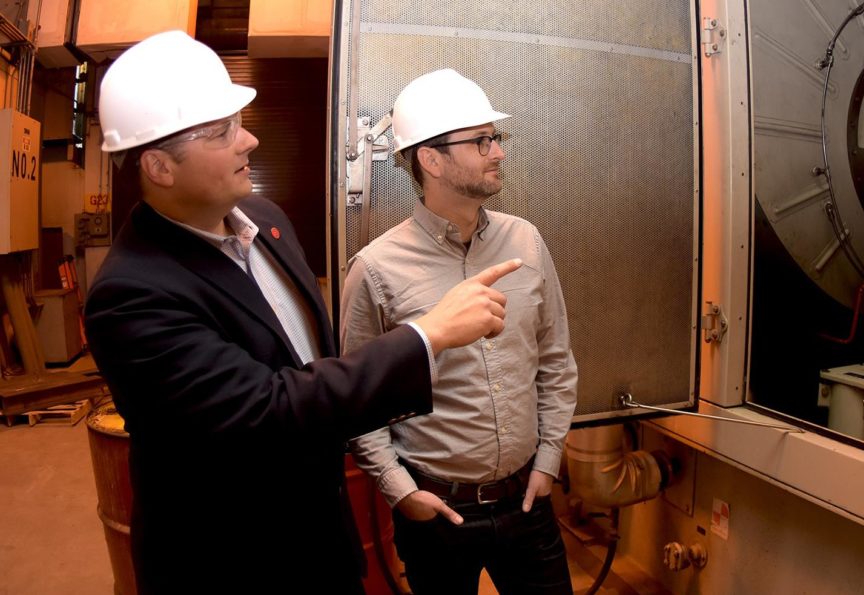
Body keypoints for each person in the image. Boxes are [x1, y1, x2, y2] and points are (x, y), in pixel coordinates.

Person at [84, 32, 520, 595]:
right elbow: (266, 411)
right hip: (231, 560)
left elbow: (317, 362)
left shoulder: (263, 219)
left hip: (321, 540)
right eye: (222, 132)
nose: (250, 140)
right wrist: (426, 336)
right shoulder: (132, 296)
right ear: (159, 167)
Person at [342, 68, 578, 595]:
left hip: (528, 503)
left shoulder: (527, 242)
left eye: (496, 138)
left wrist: (548, 460)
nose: (498, 151)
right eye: (481, 140)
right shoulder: (377, 269)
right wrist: (401, 492)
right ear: (430, 159)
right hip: (438, 517)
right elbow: (358, 401)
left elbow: (556, 360)